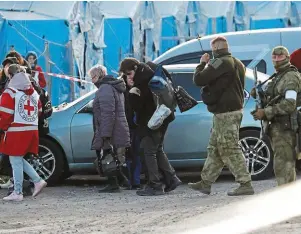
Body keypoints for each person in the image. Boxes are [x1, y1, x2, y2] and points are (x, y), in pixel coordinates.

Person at [188, 36, 254, 196]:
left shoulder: (221, 62)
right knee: (215, 148)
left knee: (230, 148)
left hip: (226, 113)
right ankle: (206, 183)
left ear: (215, 49)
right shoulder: (237, 62)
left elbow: (199, 79)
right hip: (230, 111)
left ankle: (245, 183)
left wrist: (202, 63)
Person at [119, 58, 181, 196]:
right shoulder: (151, 69)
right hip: (163, 116)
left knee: (149, 151)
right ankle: (171, 179)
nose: (128, 77)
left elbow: (138, 106)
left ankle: (155, 185)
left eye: (129, 74)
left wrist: (131, 92)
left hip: (152, 121)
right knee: (157, 149)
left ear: (135, 68)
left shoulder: (141, 82)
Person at [252, 46, 301, 186]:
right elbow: (271, 95)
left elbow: (290, 104)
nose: (277, 60)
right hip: (277, 128)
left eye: (280, 57)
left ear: (287, 58)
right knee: (281, 166)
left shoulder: (290, 77)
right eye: (274, 57)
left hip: (285, 128)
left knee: (284, 167)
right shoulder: (278, 76)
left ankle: (287, 202)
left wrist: (266, 112)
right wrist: (258, 93)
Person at [0, 68, 47, 201]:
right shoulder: (33, 93)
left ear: (10, 76)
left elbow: (5, 114)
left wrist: (2, 127)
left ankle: (18, 192)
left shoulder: (10, 92)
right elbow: (38, 111)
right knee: (17, 159)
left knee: (15, 160)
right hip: (31, 130)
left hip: (16, 131)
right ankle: (37, 181)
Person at [89, 64, 130, 193]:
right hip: (116, 128)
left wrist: (105, 134)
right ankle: (122, 181)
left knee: (109, 157)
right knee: (112, 157)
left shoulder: (105, 89)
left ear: (99, 76)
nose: (91, 80)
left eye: (93, 77)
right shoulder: (112, 86)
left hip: (111, 130)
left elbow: (108, 113)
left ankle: (114, 184)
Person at [122, 73, 142, 190]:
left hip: (137, 128)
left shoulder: (139, 90)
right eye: (128, 76)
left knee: (137, 155)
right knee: (128, 155)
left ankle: (136, 181)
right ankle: (129, 181)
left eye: (132, 76)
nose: (131, 79)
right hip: (126, 127)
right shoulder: (122, 92)